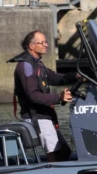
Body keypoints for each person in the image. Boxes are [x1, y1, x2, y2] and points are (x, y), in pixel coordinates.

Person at [9, 30, 79, 162]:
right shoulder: (26, 66)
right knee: (54, 153)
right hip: (37, 118)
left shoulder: (37, 63)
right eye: (42, 42)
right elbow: (33, 96)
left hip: (45, 116)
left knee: (64, 152)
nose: (46, 45)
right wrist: (59, 97)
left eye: (46, 42)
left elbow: (54, 77)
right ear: (31, 46)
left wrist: (76, 76)